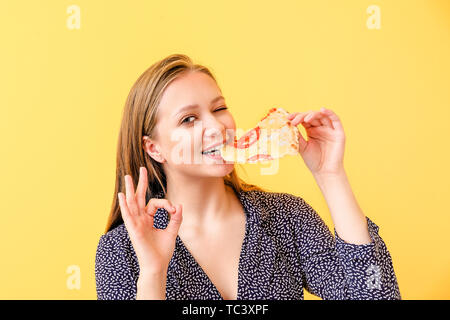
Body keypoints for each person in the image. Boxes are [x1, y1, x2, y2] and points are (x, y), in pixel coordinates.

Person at [95, 53, 401, 300]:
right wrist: (153, 273)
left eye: (219, 108)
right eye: (189, 119)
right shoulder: (120, 250)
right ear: (154, 147)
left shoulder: (287, 217)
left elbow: (375, 295)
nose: (216, 127)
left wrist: (330, 174)